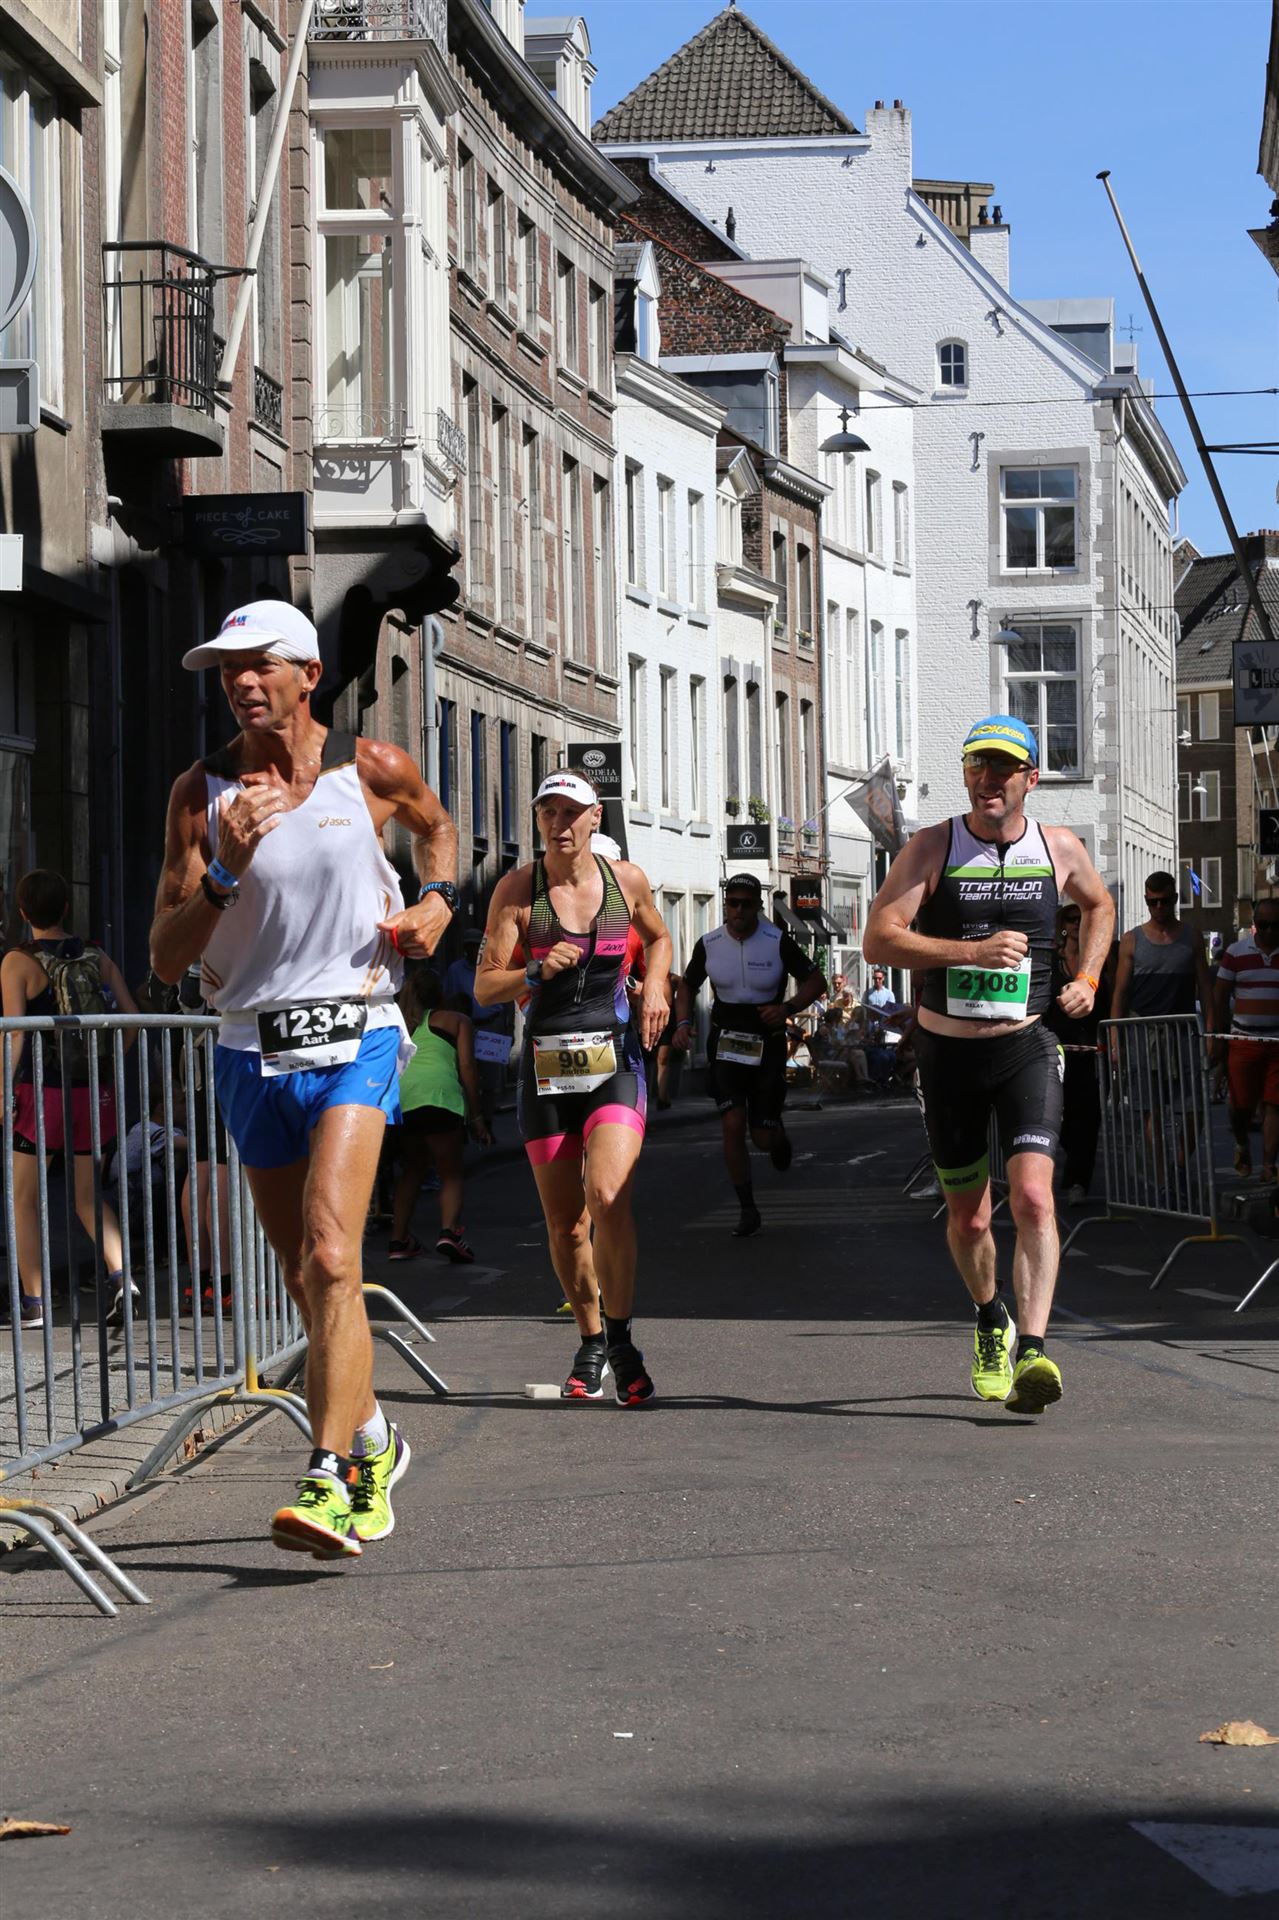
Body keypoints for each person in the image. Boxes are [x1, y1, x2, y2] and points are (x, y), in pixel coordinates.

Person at [149, 599, 458, 1560]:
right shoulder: (200, 793)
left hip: (357, 1029)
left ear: (309, 674)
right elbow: (164, 958)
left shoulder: (372, 769)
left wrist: (438, 902)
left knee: (332, 1255)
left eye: (260, 664)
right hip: (249, 1046)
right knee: (303, 1272)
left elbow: (438, 829)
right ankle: (375, 1438)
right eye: (227, 668)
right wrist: (223, 872)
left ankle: (332, 1478)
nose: (241, 681)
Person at [863, 714, 1114, 1415]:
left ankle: (1032, 1350)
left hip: (1025, 1046)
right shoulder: (932, 846)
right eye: (977, 765)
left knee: (1033, 1196)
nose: (988, 779)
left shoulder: (1058, 847)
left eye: (1002, 768)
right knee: (970, 1220)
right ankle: (989, 1315)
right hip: (947, 1055)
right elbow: (878, 939)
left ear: (1030, 779)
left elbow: (1099, 906)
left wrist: (1088, 978)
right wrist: (969, 952)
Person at [474, 768, 670, 1405]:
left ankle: (623, 1340)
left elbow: (660, 938)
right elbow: (485, 986)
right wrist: (532, 970)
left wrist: (657, 987)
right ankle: (592, 1341)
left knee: (608, 1195)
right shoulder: (517, 890)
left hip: (614, 1061)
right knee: (566, 1226)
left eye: (571, 813)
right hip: (547, 1070)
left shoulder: (625, 881)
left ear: (595, 819)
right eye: (548, 813)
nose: (559, 825)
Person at [2, 868, 139, 1329]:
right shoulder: (97, 956)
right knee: (87, 1196)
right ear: (66, 908)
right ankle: (122, 1278)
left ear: (23, 912)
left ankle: (34, 1304)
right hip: (92, 1094)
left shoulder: (18, 962)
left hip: (41, 1094)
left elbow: (15, 1035)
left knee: (24, 1198)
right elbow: (131, 1017)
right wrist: (108, 1068)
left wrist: (2, 1090)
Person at [672, 873, 826, 1237]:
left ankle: (776, 1134)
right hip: (727, 1043)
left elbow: (816, 981)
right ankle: (747, 1209)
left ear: (758, 906)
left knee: (762, 1139)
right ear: (726, 905)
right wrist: (682, 1023)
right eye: (732, 903)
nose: (738, 910)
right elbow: (687, 986)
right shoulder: (710, 943)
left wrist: (787, 1008)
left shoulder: (777, 941)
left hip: (766, 1043)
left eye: (745, 904)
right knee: (731, 1124)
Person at [1109, 869, 1214, 1178]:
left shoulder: (1191, 937)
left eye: (1164, 902)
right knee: (1150, 1112)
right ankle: (1162, 1178)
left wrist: (1211, 1033)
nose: (1158, 908)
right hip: (1144, 1036)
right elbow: (1120, 993)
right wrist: (1115, 1038)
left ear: (1175, 899)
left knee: (1194, 1110)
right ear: (1146, 900)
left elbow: (1205, 989)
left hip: (1183, 1035)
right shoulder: (1132, 940)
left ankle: (1178, 1164)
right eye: (1152, 902)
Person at [390, 963, 492, 1261]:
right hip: (440, 1098)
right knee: (451, 1173)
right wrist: (477, 1116)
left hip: (404, 1101)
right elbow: (467, 1067)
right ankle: (449, 1233)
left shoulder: (401, 1025)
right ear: (440, 993)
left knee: (413, 1170)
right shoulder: (456, 1020)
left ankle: (398, 1241)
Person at [1045, 901, 1109, 1204]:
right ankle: (1073, 1170)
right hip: (1054, 1050)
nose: (1075, 923)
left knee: (1088, 1117)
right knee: (1059, 1118)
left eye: (1080, 918)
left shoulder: (1096, 962)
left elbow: (1111, 999)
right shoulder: (1051, 962)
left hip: (1092, 1050)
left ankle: (1078, 1182)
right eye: (1071, 919)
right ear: (1062, 925)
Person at [1211, 903, 1279, 1180]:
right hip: (1243, 1039)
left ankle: (1268, 1165)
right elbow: (1219, 995)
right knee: (1240, 1105)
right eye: (1263, 926)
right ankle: (1242, 1144)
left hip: (1277, 1041)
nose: (1269, 931)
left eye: (1275, 926)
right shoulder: (1235, 953)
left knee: (1275, 1104)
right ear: (1255, 924)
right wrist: (1219, 1034)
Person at [443, 927, 513, 1127]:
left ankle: (487, 1119)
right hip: (467, 1027)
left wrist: (509, 1029)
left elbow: (508, 999)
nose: (474, 950)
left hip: (492, 1026)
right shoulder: (456, 970)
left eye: (477, 946)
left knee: (491, 1079)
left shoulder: (495, 966)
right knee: (466, 1073)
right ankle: (470, 1119)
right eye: (470, 946)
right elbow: (449, 998)